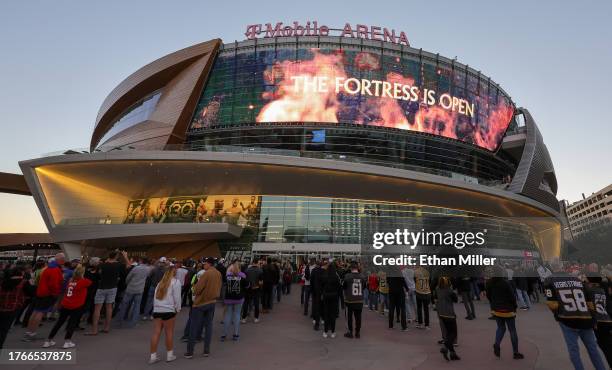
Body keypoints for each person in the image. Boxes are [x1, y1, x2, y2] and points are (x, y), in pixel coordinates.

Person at [544, 262, 606, 370]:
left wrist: (557, 315)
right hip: (585, 318)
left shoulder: (549, 280)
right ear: (562, 267)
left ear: (552, 269)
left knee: (574, 351)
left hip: (567, 319)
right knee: (593, 349)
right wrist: (593, 318)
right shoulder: (577, 279)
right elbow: (590, 301)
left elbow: (552, 304)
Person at [43, 265, 91, 349]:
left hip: (66, 304)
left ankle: (48, 340)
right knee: (72, 323)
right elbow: (90, 282)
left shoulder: (70, 281)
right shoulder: (83, 281)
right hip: (76, 305)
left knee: (59, 322)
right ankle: (67, 341)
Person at [185, 257, 222, 358]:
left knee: (194, 326)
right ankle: (206, 350)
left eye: (204, 264)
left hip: (201, 303)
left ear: (209, 264)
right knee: (209, 326)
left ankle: (190, 351)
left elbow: (197, 289)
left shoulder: (206, 273)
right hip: (212, 302)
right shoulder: (218, 273)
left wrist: (194, 288)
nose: (203, 265)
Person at [24, 253, 65, 341]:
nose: (64, 261)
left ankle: (29, 332)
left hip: (40, 292)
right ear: (60, 260)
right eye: (63, 260)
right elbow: (54, 284)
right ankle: (32, 334)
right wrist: (55, 293)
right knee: (40, 313)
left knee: (35, 312)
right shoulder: (55, 269)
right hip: (47, 294)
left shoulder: (47, 268)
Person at [487, 266, 524, 359]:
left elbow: (489, 296)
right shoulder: (505, 283)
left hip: (496, 310)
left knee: (500, 328)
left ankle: (497, 344)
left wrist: (493, 305)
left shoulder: (489, 283)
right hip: (508, 310)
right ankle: (515, 353)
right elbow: (512, 296)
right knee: (512, 330)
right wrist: (515, 307)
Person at [87, 250, 128, 335]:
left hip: (101, 287)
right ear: (116, 257)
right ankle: (106, 328)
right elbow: (129, 266)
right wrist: (125, 256)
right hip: (113, 288)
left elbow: (96, 273)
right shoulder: (118, 265)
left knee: (97, 309)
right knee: (109, 308)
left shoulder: (102, 265)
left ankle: (94, 330)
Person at [149, 266, 181, 364]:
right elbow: (177, 297)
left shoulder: (160, 283)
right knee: (169, 333)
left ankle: (153, 356)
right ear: (175, 273)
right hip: (169, 310)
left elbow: (155, 297)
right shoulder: (176, 282)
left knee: (156, 333)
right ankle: (169, 355)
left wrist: (155, 309)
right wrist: (178, 309)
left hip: (157, 310)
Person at [584, 273, 612, 367]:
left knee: (603, 347)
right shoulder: (601, 290)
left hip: (598, 321)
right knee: (608, 345)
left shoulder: (590, 291)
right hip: (607, 319)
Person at [115, 257, 150, 328]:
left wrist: (127, 283)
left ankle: (120, 321)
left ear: (141, 261)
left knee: (124, 304)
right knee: (137, 306)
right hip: (140, 290)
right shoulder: (148, 269)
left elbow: (128, 277)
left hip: (131, 288)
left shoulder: (136, 268)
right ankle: (134, 322)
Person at [222, 260, 248, 341]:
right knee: (237, 315)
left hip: (229, 297)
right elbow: (247, 286)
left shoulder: (228, 276)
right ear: (240, 267)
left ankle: (224, 335)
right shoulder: (243, 275)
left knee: (228, 315)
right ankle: (235, 334)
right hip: (239, 298)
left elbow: (224, 283)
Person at [0, 266, 26, 348]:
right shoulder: (23, 283)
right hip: (12, 309)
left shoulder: (3, 282)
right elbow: (32, 292)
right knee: (3, 330)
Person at [435, 276, 460, 361]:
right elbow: (456, 300)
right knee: (453, 333)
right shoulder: (449, 290)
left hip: (441, 313)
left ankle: (453, 354)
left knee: (448, 333)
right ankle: (445, 347)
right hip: (449, 313)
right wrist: (453, 291)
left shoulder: (437, 289)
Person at [343, 261, 365, 338]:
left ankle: (350, 332)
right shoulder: (362, 276)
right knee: (358, 317)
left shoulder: (347, 276)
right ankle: (357, 332)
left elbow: (344, 287)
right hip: (359, 299)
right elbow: (364, 287)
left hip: (350, 299)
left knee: (350, 317)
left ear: (351, 268)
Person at [321, 260, 340, 338]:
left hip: (326, 296)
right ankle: (333, 332)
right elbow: (339, 287)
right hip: (334, 296)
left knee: (326, 314)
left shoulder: (324, 276)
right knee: (333, 315)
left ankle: (325, 332)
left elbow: (322, 286)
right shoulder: (336, 277)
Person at [242, 258, 262, 323]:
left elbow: (244, 280)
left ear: (252, 262)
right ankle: (256, 318)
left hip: (248, 289)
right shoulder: (260, 271)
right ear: (257, 263)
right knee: (256, 304)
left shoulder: (247, 270)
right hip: (256, 289)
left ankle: (244, 318)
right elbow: (261, 282)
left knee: (246, 303)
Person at [414, 265, 431, 329]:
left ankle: (420, 323)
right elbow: (430, 281)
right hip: (427, 292)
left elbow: (414, 280)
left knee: (419, 308)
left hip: (419, 292)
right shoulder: (428, 272)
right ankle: (427, 325)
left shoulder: (416, 272)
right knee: (426, 309)